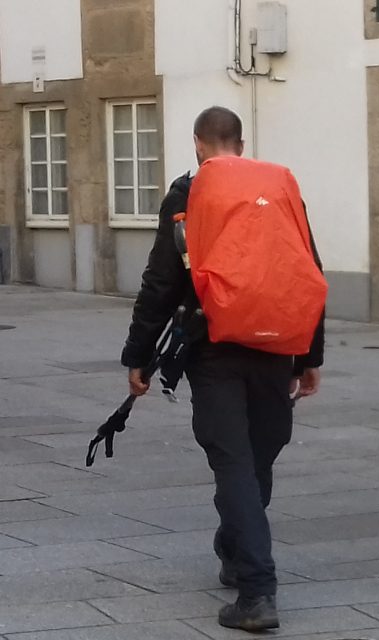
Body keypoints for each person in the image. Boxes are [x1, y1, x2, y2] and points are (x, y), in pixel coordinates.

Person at [120, 106, 324, 632]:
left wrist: (138, 356)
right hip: (277, 345)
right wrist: (310, 355)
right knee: (258, 456)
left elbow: (160, 281)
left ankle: (257, 592)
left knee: (233, 462)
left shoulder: (186, 194)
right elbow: (307, 268)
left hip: (213, 347)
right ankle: (236, 552)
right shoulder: (280, 187)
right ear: (240, 141)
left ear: (198, 144)